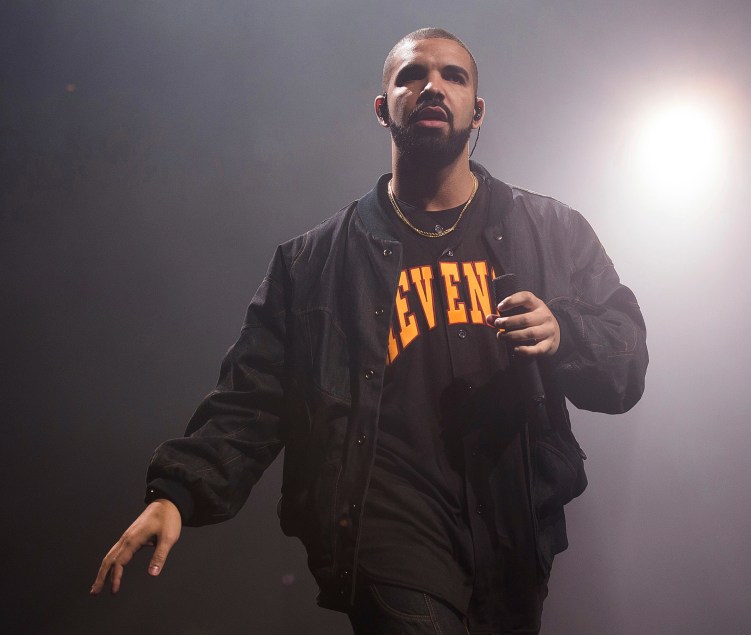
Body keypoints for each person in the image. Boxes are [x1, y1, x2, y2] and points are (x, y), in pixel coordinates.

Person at [91, 27, 648, 634]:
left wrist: (564, 331)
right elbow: (252, 396)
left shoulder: (553, 230)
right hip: (385, 528)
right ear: (383, 109)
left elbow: (626, 366)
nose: (432, 86)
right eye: (412, 75)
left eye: (452, 76)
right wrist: (178, 491)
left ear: (477, 111)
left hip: (513, 531)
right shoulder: (313, 265)